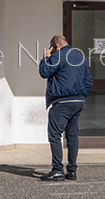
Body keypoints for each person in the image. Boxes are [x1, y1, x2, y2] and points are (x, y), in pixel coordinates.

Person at [38, 35, 93, 181]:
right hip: (78, 101)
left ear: (55, 45)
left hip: (62, 102)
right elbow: (89, 80)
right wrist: (81, 94)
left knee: (55, 135)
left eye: (52, 48)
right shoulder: (80, 56)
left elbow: (44, 72)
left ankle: (57, 169)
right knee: (72, 136)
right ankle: (72, 170)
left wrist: (46, 58)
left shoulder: (58, 56)